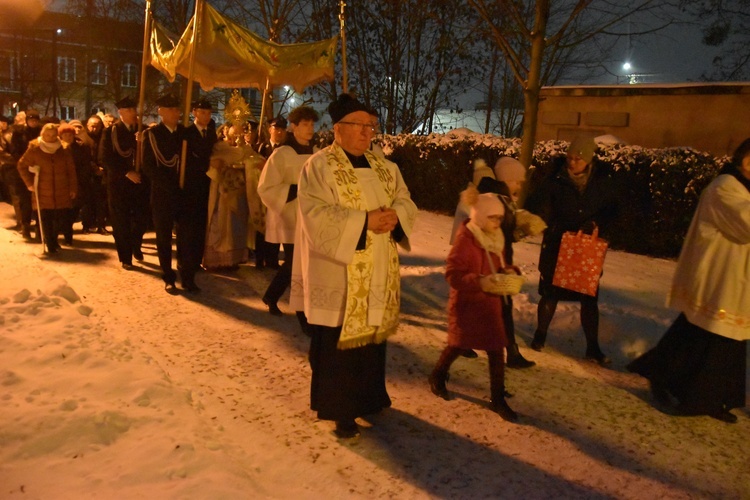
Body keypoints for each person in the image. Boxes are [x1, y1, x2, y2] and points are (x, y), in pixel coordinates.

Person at [290, 93, 417, 438]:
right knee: (337, 346)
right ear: (338, 129)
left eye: (371, 126)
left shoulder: (385, 167)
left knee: (372, 341)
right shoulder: (318, 166)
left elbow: (405, 200)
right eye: (359, 125)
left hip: (377, 268)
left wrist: (395, 216)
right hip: (338, 270)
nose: (366, 133)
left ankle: (370, 397)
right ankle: (340, 410)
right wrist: (364, 222)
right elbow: (315, 214)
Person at [627, 139, 750, 424]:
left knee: (718, 339)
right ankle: (693, 396)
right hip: (720, 277)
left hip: (736, 281)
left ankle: (713, 396)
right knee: (712, 339)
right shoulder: (725, 187)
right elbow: (744, 224)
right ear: (740, 158)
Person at [524, 135, 620, 365]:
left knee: (588, 296)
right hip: (558, 244)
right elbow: (540, 206)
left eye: (578, 158)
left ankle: (592, 346)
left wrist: (596, 224)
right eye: (570, 157)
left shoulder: (601, 182)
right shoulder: (554, 179)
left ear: (588, 160)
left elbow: (613, 210)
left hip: (585, 249)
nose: (572, 162)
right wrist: (542, 222)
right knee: (551, 292)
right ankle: (540, 334)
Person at [430, 186, 518, 421]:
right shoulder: (467, 240)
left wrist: (508, 274)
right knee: (458, 345)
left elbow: (496, 267)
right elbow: (453, 273)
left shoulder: (493, 238)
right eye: (493, 217)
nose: (498, 222)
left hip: (489, 306)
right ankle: (438, 374)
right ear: (480, 217)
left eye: (500, 217)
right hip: (468, 305)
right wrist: (480, 281)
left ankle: (497, 398)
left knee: (496, 350)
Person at [257, 106, 319, 316]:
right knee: (296, 262)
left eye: (312, 124)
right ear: (294, 127)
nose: (310, 128)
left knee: (301, 262)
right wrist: (294, 189)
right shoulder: (282, 154)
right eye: (305, 124)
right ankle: (301, 310)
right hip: (289, 215)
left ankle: (273, 296)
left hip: (311, 215)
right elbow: (266, 187)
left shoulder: (317, 153)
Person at [101, 96, 150, 270]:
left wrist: (144, 144)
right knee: (120, 222)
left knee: (141, 219)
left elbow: (151, 156)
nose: (134, 113)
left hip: (140, 183)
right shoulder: (111, 132)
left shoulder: (143, 131)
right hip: (119, 183)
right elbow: (105, 157)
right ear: (120, 112)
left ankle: (135, 244)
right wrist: (126, 172)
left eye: (134, 109)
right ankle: (126, 256)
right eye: (129, 110)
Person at [141, 93, 184, 292]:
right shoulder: (152, 135)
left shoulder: (184, 133)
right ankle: (168, 275)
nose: (177, 113)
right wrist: (170, 185)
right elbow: (149, 166)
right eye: (172, 109)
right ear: (161, 112)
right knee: (164, 237)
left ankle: (187, 273)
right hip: (163, 192)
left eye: (177, 109)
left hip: (184, 192)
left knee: (185, 236)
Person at [204, 120, 260, 270]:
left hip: (240, 192)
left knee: (237, 226)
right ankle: (217, 260)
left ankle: (234, 259)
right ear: (226, 130)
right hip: (223, 192)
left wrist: (254, 164)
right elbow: (214, 162)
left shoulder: (246, 149)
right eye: (235, 132)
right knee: (220, 224)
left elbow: (255, 160)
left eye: (240, 132)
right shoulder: (219, 147)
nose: (237, 135)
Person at [17, 123, 77, 254]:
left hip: (62, 189)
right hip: (42, 190)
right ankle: (50, 244)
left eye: (53, 135)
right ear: (42, 134)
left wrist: (73, 187)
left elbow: (71, 170)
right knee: (45, 219)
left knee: (60, 219)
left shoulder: (64, 148)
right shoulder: (35, 148)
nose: (50, 137)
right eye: (47, 135)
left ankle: (53, 240)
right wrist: (29, 183)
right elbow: (21, 165)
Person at [177, 97, 217, 291]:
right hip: (189, 188)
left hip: (205, 187)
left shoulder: (211, 133)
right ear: (194, 113)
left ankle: (194, 263)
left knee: (200, 229)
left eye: (209, 113)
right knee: (187, 232)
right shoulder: (186, 133)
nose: (206, 116)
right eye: (202, 112)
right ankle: (186, 271)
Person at [58, 123, 93, 245]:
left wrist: (81, 179)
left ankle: (67, 231)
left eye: (70, 134)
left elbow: (85, 165)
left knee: (73, 210)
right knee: (63, 211)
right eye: (65, 134)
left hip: (78, 183)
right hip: (61, 183)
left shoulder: (81, 147)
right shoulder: (57, 148)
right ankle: (67, 236)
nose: (68, 137)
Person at [9, 109, 42, 239]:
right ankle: (26, 226)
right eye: (31, 120)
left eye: (35, 120)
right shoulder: (19, 134)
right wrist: (25, 163)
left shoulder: (41, 133)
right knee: (25, 201)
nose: (33, 122)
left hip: (39, 169)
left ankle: (40, 228)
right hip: (23, 170)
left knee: (39, 200)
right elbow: (15, 150)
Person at [86, 114, 109, 235]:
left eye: (97, 126)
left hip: (102, 173)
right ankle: (88, 224)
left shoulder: (104, 137)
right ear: (88, 126)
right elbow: (85, 157)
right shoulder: (84, 138)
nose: (94, 129)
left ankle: (101, 224)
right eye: (92, 126)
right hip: (88, 174)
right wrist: (95, 168)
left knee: (101, 201)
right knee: (88, 201)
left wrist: (103, 168)